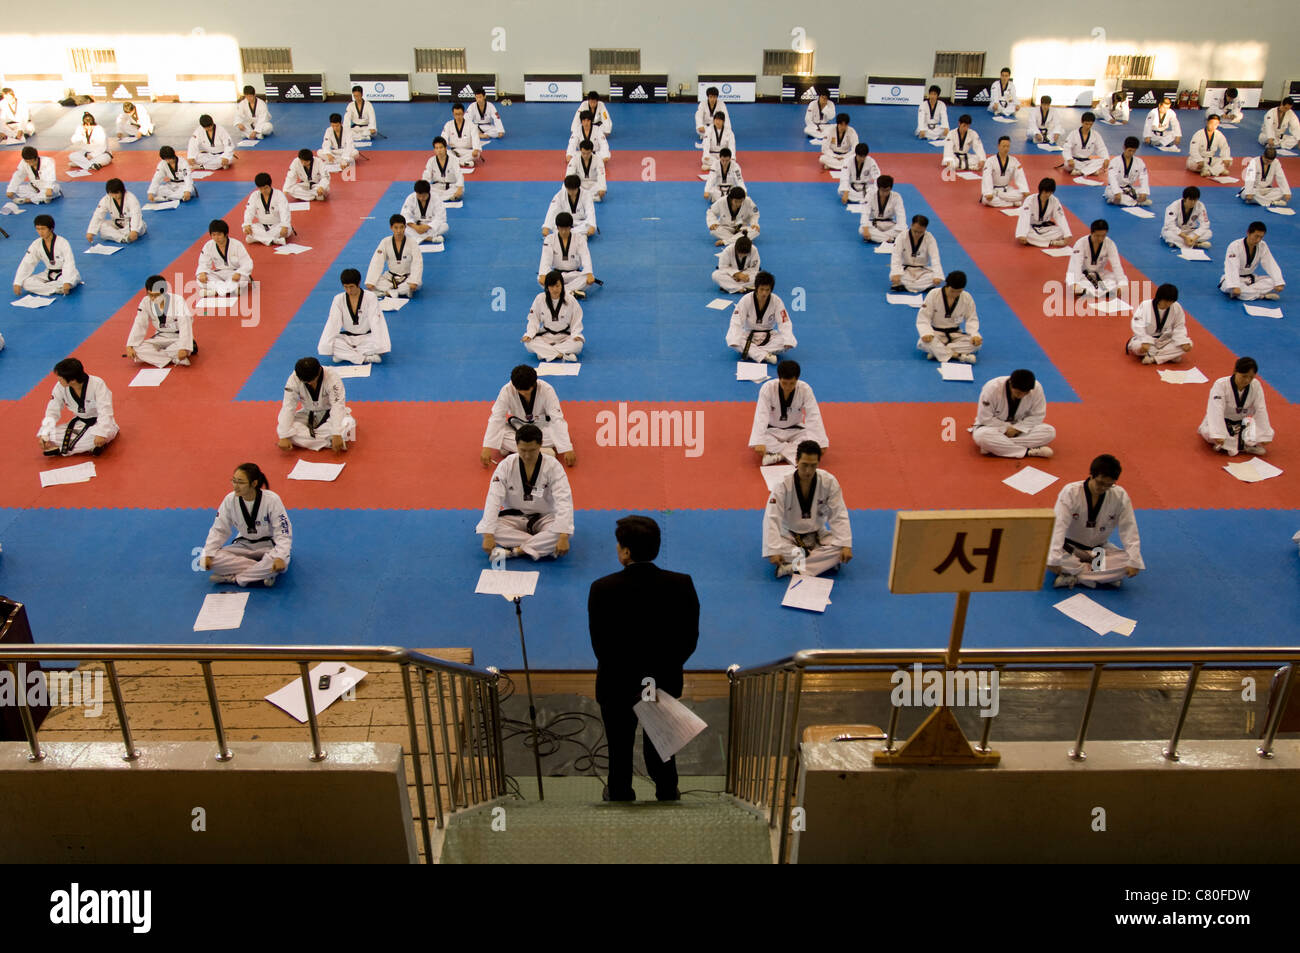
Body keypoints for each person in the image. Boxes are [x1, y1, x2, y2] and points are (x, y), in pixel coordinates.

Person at [589, 515, 699, 803]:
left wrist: (626, 676)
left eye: (618, 545)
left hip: (617, 683)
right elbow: (689, 641)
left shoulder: (602, 588)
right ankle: (667, 791)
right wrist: (662, 671)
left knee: (620, 746)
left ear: (625, 552)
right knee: (662, 744)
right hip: (661, 682)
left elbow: (600, 646)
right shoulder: (681, 584)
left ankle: (620, 792)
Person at [477, 423, 574, 561]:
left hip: (544, 517)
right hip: (515, 517)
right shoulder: (505, 466)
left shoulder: (553, 466)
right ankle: (540, 546)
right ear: (516, 446)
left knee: (562, 532)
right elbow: (494, 499)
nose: (527, 455)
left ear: (540, 445)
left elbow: (564, 500)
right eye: (523, 450)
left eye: (532, 450)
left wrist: (563, 536)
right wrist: (488, 535)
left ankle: (515, 551)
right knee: (490, 528)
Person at [1046, 454, 1143, 589]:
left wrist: (1134, 560)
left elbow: (1129, 528)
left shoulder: (1119, 495)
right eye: (1100, 483)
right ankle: (1101, 576)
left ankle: (1075, 576)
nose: (1103, 488)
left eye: (1109, 485)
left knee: (1127, 562)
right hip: (1069, 549)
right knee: (1047, 556)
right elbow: (1058, 527)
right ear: (1091, 475)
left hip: (1098, 550)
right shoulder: (1071, 492)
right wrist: (1054, 559)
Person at [762, 440, 852, 578]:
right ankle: (822, 562)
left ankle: (793, 567)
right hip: (789, 535)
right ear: (797, 460)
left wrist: (846, 544)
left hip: (817, 534)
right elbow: (772, 517)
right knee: (776, 549)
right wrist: (773, 550)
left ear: (818, 463)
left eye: (813, 465)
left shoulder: (829, 482)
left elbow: (838, 513)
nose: (808, 471)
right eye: (804, 465)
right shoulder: (782, 485)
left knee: (841, 548)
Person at [201, 464, 292, 587]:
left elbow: (283, 532)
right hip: (243, 545)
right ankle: (262, 573)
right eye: (234, 481)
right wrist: (209, 553)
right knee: (211, 560)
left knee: (279, 563)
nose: (235, 486)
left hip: (269, 546)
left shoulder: (272, 500)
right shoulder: (230, 500)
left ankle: (234, 578)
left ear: (254, 483)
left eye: (240, 482)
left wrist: (280, 556)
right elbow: (219, 529)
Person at [481, 365, 575, 466]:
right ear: (514, 385)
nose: (525, 395)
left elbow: (557, 419)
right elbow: (497, 417)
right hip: (519, 427)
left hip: (541, 428)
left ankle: (520, 449)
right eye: (521, 393)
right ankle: (541, 451)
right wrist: (487, 447)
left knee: (555, 433)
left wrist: (567, 448)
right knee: (501, 435)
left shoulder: (546, 389)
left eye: (527, 392)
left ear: (534, 384)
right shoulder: (507, 390)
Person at [749, 360, 827, 465]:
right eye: (784, 383)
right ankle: (793, 454)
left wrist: (821, 441)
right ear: (779, 378)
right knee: (760, 441)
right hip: (772, 431)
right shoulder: (767, 388)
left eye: (792, 383)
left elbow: (813, 415)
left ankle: (779, 455)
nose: (788, 387)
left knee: (812, 441)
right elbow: (761, 415)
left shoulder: (805, 389)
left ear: (797, 380)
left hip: (796, 430)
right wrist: (759, 441)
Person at [37, 357, 117, 457]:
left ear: (73, 380)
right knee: (50, 436)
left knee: (100, 435)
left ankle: (63, 449)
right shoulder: (60, 387)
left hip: (100, 422)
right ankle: (91, 447)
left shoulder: (97, 384)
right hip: (80, 423)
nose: (58, 379)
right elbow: (52, 410)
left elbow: (105, 410)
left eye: (60, 377)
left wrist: (101, 433)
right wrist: (45, 433)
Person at [971, 368, 1056, 458]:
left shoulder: (1036, 388)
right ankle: (1028, 451)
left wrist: (1017, 429)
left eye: (1025, 393)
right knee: (982, 437)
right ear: (1011, 384)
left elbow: (1037, 415)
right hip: (993, 427)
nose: (1021, 395)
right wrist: (1006, 428)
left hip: (1019, 428)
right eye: (1018, 392)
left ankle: (997, 446)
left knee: (1049, 432)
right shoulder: (992, 388)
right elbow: (985, 418)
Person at [277, 356, 354, 452]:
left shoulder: (332, 377)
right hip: (308, 412)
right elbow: (288, 406)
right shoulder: (294, 379)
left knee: (348, 423)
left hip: (330, 413)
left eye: (312, 381)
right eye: (306, 382)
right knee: (289, 432)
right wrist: (284, 436)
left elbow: (337, 405)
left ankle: (322, 439)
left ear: (319, 371)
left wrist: (337, 433)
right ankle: (328, 442)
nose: (309, 384)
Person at [1199, 356, 1273, 456]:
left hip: (1240, 423)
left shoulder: (1256, 385)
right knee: (1210, 433)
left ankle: (1230, 446)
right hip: (1222, 421)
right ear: (1235, 371)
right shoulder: (1221, 385)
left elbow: (1261, 409)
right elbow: (1216, 409)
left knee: (1257, 433)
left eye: (1251, 377)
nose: (1247, 380)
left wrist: (1264, 435)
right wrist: (1218, 433)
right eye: (1244, 376)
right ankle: (1242, 446)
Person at [317, 268, 390, 365]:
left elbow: (376, 321)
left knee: (377, 345)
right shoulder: (338, 299)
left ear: (358, 283)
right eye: (345, 287)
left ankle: (345, 355)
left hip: (367, 337)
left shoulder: (370, 297)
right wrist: (326, 347)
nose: (349, 290)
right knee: (332, 344)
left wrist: (381, 346)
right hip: (347, 338)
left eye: (351, 286)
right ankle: (364, 358)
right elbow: (333, 323)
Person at [126, 275, 194, 368]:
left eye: (156, 295)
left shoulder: (178, 300)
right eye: (150, 295)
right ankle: (173, 357)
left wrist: (184, 347)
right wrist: (130, 344)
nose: (153, 298)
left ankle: (166, 355)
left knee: (180, 348)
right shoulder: (145, 302)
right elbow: (140, 323)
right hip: (160, 336)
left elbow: (185, 324)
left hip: (178, 337)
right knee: (137, 349)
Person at [727, 271, 795, 364]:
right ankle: (766, 355)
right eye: (762, 289)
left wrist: (788, 340)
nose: (764, 293)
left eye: (767, 290)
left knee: (785, 342)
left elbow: (784, 322)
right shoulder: (746, 300)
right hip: (749, 336)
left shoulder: (776, 301)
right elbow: (736, 321)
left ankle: (753, 353)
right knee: (735, 341)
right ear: (756, 288)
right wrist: (734, 339)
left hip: (769, 336)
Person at [917, 270, 981, 364]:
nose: (955, 294)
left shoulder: (967, 297)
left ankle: (938, 352)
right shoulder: (933, 294)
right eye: (952, 291)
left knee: (976, 345)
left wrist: (975, 335)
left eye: (959, 291)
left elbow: (971, 319)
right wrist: (926, 333)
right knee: (923, 342)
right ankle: (959, 356)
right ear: (947, 285)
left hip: (955, 334)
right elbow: (924, 318)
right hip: (936, 333)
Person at [524, 271, 585, 362]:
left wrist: (576, 334)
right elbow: (533, 319)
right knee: (528, 344)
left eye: (557, 286)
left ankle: (545, 353)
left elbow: (577, 318)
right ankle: (562, 354)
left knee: (578, 344)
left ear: (562, 285)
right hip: (546, 335)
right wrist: (530, 334)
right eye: (551, 286)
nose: (555, 289)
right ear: (547, 287)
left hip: (565, 336)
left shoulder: (570, 300)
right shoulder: (540, 298)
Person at [13, 215, 79, 296]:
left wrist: (67, 281)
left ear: (51, 229)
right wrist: (18, 282)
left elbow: (69, 262)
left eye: (43, 229)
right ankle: (55, 289)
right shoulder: (36, 244)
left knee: (70, 280)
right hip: (49, 273)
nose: (40, 232)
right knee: (26, 283)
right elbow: (27, 263)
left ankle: (53, 287)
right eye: (38, 229)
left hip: (64, 273)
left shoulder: (63, 242)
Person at [1127, 283, 1192, 365]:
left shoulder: (1176, 307)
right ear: (1159, 298)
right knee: (1138, 347)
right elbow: (1137, 324)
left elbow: (1179, 326)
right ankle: (1168, 356)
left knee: (1188, 345)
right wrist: (1145, 340)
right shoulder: (1146, 305)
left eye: (1171, 302)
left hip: (1164, 339)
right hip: (1146, 339)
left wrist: (1182, 341)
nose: (1168, 304)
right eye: (1165, 302)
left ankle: (1153, 358)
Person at [1220, 221, 1285, 300]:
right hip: (1234, 278)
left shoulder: (1262, 245)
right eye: (1256, 236)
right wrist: (1235, 285)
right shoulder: (1235, 246)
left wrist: (1279, 281)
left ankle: (1246, 293)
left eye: (1261, 237)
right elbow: (1231, 266)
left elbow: (1270, 263)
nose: (1258, 240)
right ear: (1248, 233)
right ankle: (1261, 296)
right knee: (1229, 286)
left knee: (1273, 282)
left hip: (1251, 279)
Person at [1065, 219, 1127, 299]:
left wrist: (1121, 283)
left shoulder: (1110, 244)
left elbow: (1116, 265)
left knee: (1121, 282)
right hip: (1082, 274)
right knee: (1074, 285)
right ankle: (1098, 291)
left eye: (1103, 236)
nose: (1100, 239)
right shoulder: (1080, 243)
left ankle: (1093, 292)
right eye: (1097, 236)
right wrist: (1076, 283)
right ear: (1091, 233)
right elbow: (1077, 265)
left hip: (1099, 274)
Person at [539, 212, 595, 297]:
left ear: (571, 227)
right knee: (541, 279)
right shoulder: (549, 239)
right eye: (561, 229)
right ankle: (570, 291)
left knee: (587, 279)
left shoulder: (579, 238)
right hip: (556, 275)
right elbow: (545, 260)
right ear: (557, 227)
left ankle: (560, 291)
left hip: (574, 274)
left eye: (566, 229)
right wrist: (543, 273)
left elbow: (585, 256)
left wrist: (589, 272)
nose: (564, 231)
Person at [365, 214, 422, 298]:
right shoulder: (385, 242)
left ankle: (387, 292)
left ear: (405, 227)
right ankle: (398, 292)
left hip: (407, 277)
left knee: (414, 285)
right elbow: (377, 261)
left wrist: (414, 281)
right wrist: (371, 281)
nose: (399, 230)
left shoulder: (412, 243)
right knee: (376, 282)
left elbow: (417, 262)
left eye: (401, 227)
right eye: (396, 227)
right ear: (391, 228)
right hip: (391, 277)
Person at [197, 219, 254, 297]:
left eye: (219, 234)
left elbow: (247, 263)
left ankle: (215, 291)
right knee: (200, 278)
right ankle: (231, 289)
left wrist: (239, 273)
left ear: (226, 234)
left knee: (243, 278)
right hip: (219, 273)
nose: (216, 237)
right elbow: (203, 263)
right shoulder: (208, 246)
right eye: (213, 235)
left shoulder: (237, 245)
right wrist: (202, 273)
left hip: (235, 273)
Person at [890, 215, 944, 292]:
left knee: (933, 279)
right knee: (897, 278)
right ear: (911, 225)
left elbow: (935, 258)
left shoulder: (929, 238)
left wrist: (937, 276)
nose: (917, 234)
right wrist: (896, 273)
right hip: (906, 270)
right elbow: (896, 255)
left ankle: (905, 286)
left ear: (925, 229)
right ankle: (921, 287)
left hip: (922, 271)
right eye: (915, 231)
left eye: (920, 232)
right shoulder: (902, 236)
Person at [85, 178, 145, 244]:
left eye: (116, 193)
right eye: (111, 194)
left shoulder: (131, 198)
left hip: (130, 224)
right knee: (102, 226)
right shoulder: (106, 199)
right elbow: (98, 215)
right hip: (117, 223)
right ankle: (123, 238)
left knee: (137, 226)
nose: (114, 196)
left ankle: (121, 236)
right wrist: (91, 231)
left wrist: (134, 230)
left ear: (122, 191)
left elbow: (136, 215)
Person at [1015, 177, 1070, 247]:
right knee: (1027, 234)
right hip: (1031, 227)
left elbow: (1060, 217)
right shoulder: (1030, 200)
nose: (1047, 195)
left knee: (1062, 232)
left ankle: (1037, 241)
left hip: (1045, 227)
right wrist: (1022, 234)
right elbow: (1024, 217)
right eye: (1045, 192)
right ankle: (1051, 242)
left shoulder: (1055, 200)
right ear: (1041, 191)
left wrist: (1067, 234)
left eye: (1050, 192)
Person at [242, 172, 292, 246]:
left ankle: (262, 239)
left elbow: (284, 211)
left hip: (278, 225)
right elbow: (249, 211)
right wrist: (247, 224)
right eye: (260, 188)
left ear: (270, 185)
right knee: (247, 229)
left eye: (265, 188)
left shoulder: (279, 195)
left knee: (249, 238)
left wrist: (285, 225)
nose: (263, 191)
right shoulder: (254, 195)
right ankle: (274, 240)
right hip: (262, 226)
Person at [981, 137, 1028, 207]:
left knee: (1022, 195)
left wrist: (1025, 189)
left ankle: (1002, 198)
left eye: (1008, 146)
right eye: (1003, 146)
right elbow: (986, 177)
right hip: (994, 190)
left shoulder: (1014, 160)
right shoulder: (990, 161)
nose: (1006, 149)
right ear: (998, 146)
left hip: (1007, 189)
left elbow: (1020, 175)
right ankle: (1012, 203)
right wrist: (988, 192)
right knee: (986, 200)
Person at [1104, 137, 1151, 206]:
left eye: (1134, 151)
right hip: (1114, 188)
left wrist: (1144, 192)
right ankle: (1135, 202)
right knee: (1112, 194)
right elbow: (1112, 178)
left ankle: (1119, 201)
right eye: (1129, 150)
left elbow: (1144, 177)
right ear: (1124, 147)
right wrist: (1117, 192)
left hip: (1129, 189)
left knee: (1142, 193)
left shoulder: (1139, 162)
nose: (1131, 153)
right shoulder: (1115, 161)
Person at [859, 174, 905, 243]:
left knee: (904, 230)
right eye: (882, 190)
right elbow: (865, 212)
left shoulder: (896, 197)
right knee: (861, 230)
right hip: (875, 223)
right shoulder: (870, 195)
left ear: (891, 188)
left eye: (887, 190)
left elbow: (901, 215)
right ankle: (889, 239)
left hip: (889, 224)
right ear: (878, 187)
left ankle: (877, 238)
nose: (885, 193)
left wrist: (901, 228)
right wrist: (865, 229)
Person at [401, 179, 448, 244]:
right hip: (416, 225)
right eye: (419, 196)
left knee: (445, 226)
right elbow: (405, 215)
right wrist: (416, 227)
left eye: (423, 196)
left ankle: (417, 237)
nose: (421, 198)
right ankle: (429, 238)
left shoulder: (436, 198)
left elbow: (440, 217)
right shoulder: (411, 198)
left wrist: (426, 227)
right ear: (416, 192)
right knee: (402, 227)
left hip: (430, 226)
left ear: (428, 192)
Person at [1061, 112, 1108, 176]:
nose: (1088, 126)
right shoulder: (1073, 134)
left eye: (1090, 124)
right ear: (1082, 122)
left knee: (1102, 161)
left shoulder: (1096, 135)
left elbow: (1101, 148)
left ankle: (1080, 172)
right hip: (1074, 161)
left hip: (1087, 161)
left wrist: (1106, 158)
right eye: (1086, 124)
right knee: (1067, 164)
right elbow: (1067, 148)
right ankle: (1089, 171)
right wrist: (1069, 159)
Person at [441, 102, 482, 168]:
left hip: (468, 151)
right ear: (453, 114)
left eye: (460, 114)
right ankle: (464, 163)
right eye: (456, 114)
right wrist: (443, 146)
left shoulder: (471, 125)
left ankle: (454, 162)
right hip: (454, 151)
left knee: (477, 154)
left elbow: (475, 138)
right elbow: (443, 137)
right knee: (444, 153)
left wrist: (476, 149)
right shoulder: (448, 124)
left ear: (463, 113)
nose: (458, 116)